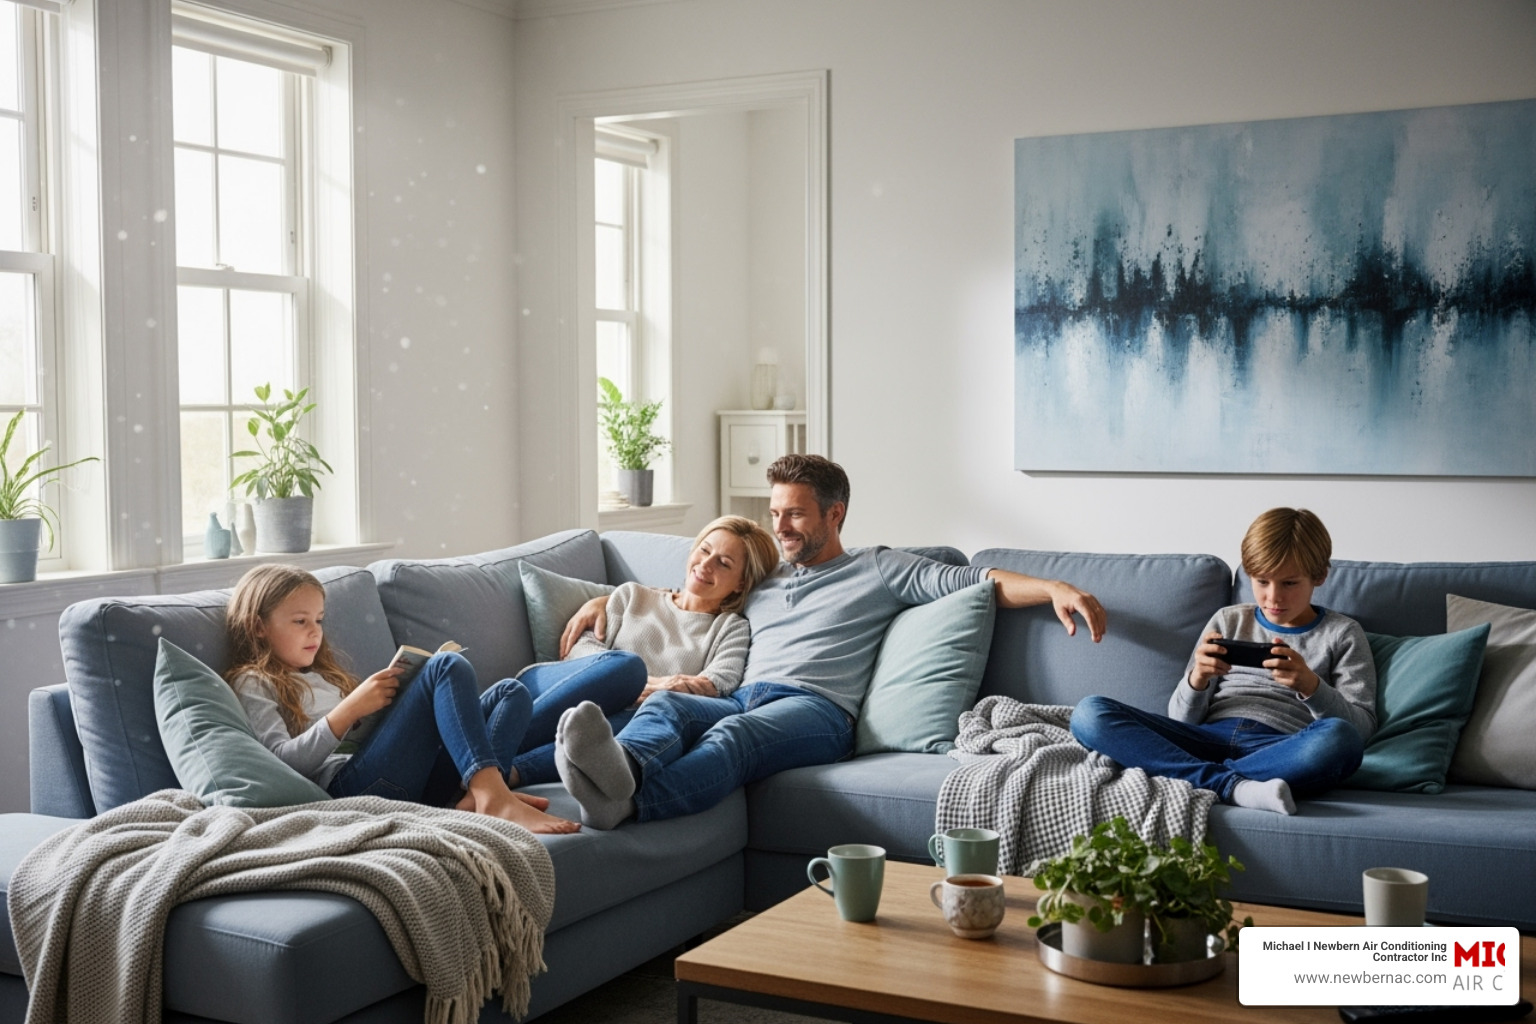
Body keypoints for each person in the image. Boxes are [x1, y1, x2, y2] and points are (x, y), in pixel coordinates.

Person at [552, 454, 1109, 829]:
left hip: (817, 712)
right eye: (774, 514)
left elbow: (974, 580)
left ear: (834, 514)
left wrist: (1052, 588)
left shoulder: (879, 567)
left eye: (794, 513)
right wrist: (606, 599)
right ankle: (618, 769)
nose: (781, 527)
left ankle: (628, 806)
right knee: (673, 704)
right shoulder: (764, 577)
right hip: (740, 694)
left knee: (734, 739)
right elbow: (697, 590)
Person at [223, 563, 579, 833]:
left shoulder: (323, 676)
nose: (315, 631)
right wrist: (349, 710)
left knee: (510, 693)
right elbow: (280, 763)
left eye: (319, 619)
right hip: (350, 787)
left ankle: (478, 796)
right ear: (258, 626)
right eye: (300, 621)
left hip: (405, 779)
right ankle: (493, 796)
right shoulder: (253, 682)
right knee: (446, 666)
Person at [1069, 507, 1375, 816]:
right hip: (1202, 738)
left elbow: (1360, 729)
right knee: (1089, 713)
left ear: (1320, 575)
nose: (1273, 597)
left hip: (1279, 748)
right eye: (1262, 581)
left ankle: (1196, 776)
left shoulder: (1342, 633)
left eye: (1289, 583)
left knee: (1341, 740)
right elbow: (1180, 720)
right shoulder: (1229, 619)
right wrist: (1197, 680)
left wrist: (1310, 686)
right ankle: (1234, 786)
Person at [503, 514, 781, 789]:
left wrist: (642, 694)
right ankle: (493, 752)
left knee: (620, 732)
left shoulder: (730, 628)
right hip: (568, 688)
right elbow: (580, 649)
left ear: (742, 583)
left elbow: (719, 682)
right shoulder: (632, 595)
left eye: (723, 563)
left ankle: (506, 773)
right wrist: (638, 684)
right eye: (704, 550)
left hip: (624, 716)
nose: (705, 565)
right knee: (627, 667)